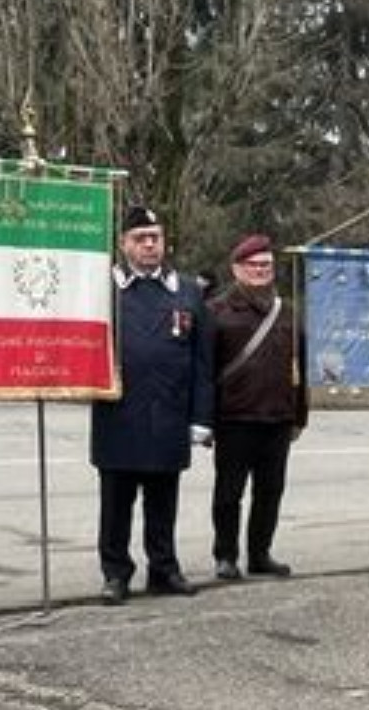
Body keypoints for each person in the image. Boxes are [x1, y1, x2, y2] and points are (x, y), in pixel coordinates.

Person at [93, 205, 214, 605]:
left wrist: (201, 418)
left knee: (163, 503)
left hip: (169, 415)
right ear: (123, 243)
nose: (149, 245)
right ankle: (116, 573)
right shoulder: (103, 289)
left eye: (155, 237)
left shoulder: (187, 291)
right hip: (119, 416)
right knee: (116, 506)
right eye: (140, 238)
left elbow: (202, 362)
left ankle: (163, 569)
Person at [206, 233, 306, 581]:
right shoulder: (217, 312)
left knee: (270, 491)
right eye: (254, 265)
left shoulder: (288, 313)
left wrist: (299, 416)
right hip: (235, 417)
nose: (262, 270)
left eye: (267, 265)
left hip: (277, 417)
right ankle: (226, 555)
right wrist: (205, 420)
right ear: (237, 269)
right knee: (229, 493)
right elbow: (205, 371)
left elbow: (300, 367)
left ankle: (260, 553)